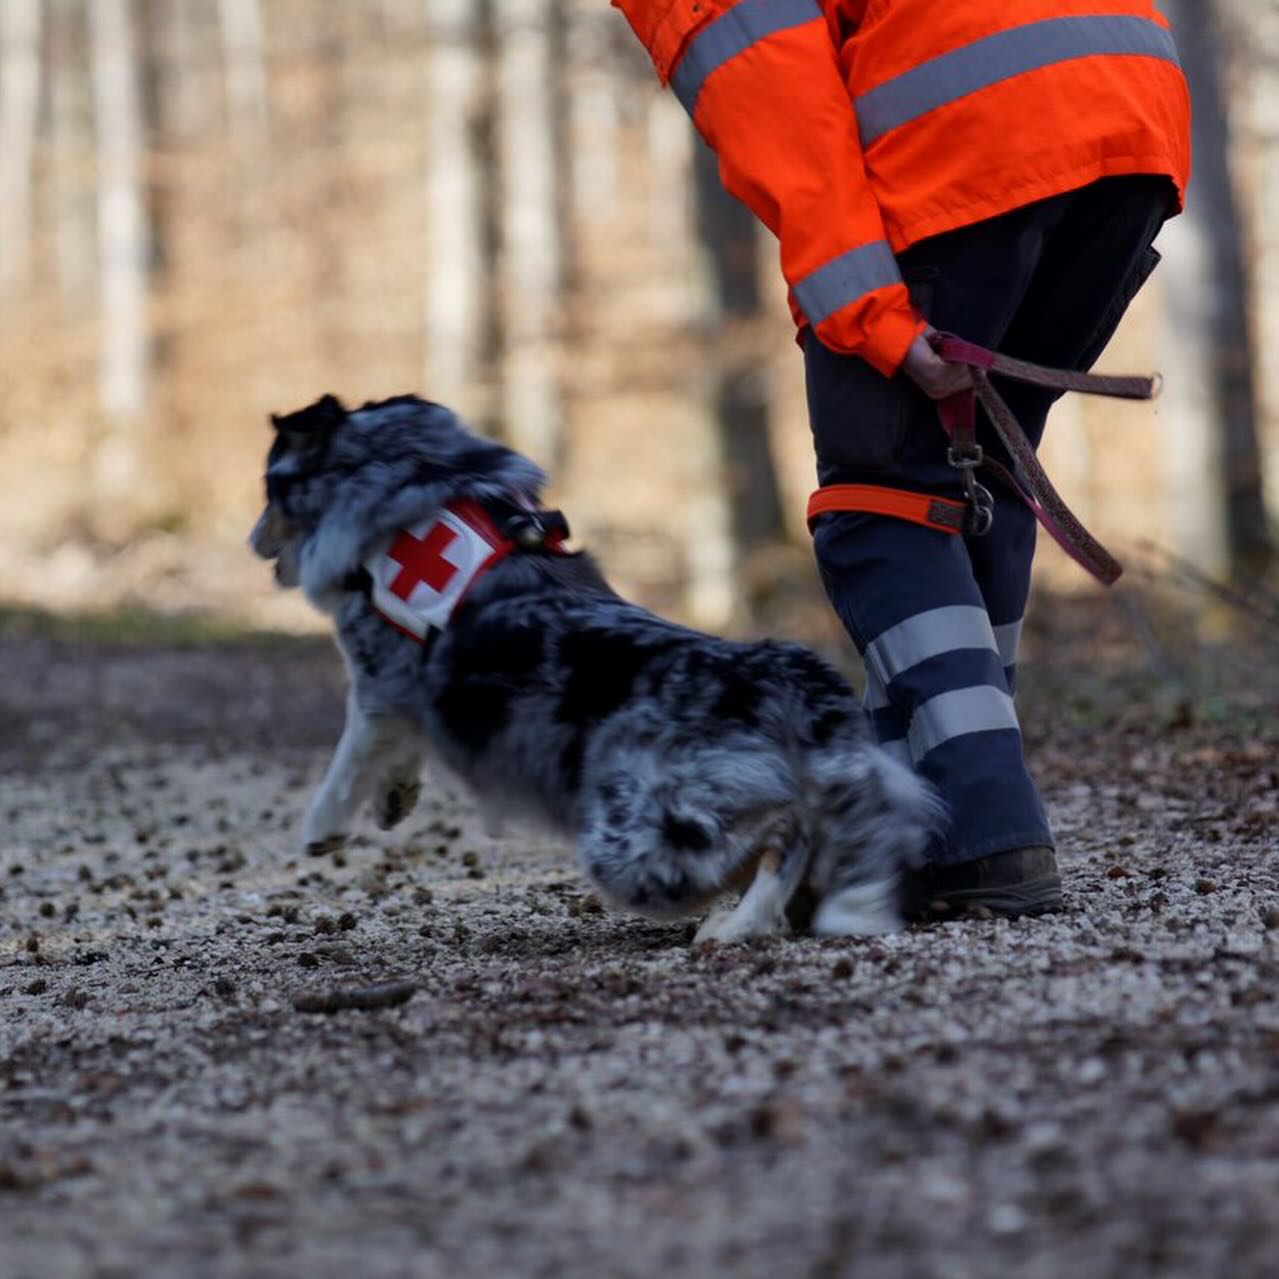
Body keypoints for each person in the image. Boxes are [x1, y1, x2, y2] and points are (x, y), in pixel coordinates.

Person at [612, 1, 1192, 916]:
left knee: (880, 504)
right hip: (1132, 109)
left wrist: (874, 317)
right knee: (980, 470)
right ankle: (916, 832)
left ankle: (987, 827)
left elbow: (787, 123)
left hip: (973, 126)